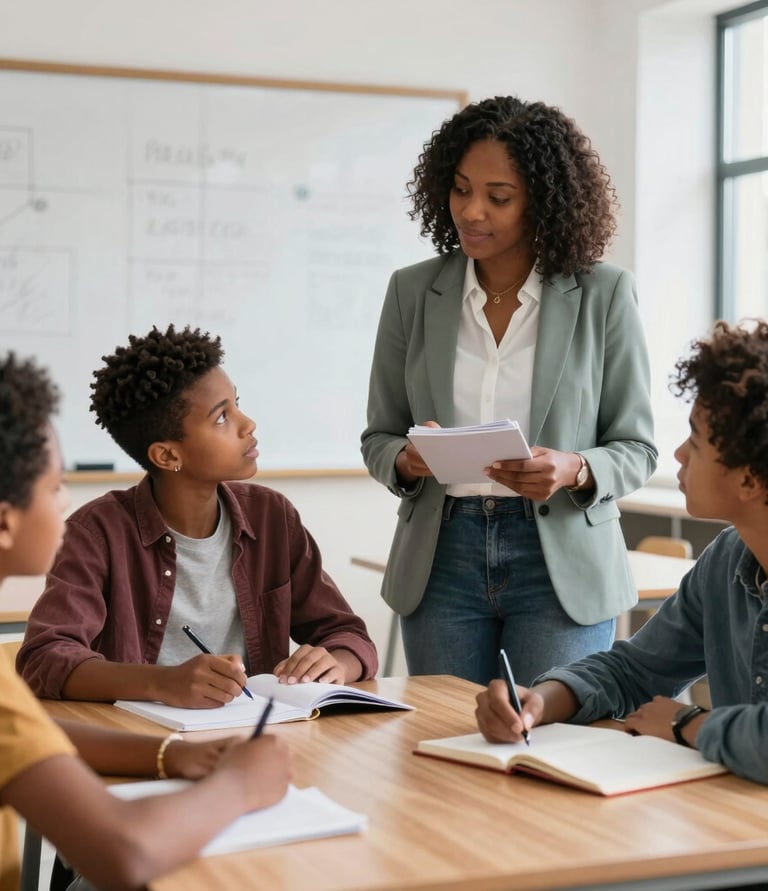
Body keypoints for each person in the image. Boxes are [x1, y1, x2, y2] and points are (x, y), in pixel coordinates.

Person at [362, 95, 657, 686]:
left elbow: (637, 448)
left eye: (498, 198)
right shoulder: (412, 292)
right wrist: (408, 458)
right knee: (446, 746)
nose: (471, 211)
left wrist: (575, 467)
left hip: (561, 560)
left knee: (549, 752)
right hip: (442, 556)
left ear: (543, 204)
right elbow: (379, 436)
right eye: (460, 188)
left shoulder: (604, 294)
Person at [0, 352, 292, 891]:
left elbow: (36, 735)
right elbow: (127, 853)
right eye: (55, 485)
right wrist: (240, 786)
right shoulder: (98, 530)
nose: (65, 502)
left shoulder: (272, 514)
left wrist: (174, 757)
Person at [18, 325, 377, 706]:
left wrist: (336, 662)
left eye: (237, 404)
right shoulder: (96, 533)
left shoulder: (272, 517)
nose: (247, 424)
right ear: (168, 456)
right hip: (138, 741)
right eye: (222, 417)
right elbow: (45, 658)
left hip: (254, 732)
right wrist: (163, 683)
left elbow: (348, 635)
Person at [475, 319, 768, 785]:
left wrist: (685, 723)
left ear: (749, 479)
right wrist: (543, 700)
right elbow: (637, 668)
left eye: (695, 441)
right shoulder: (728, 559)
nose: (678, 454)